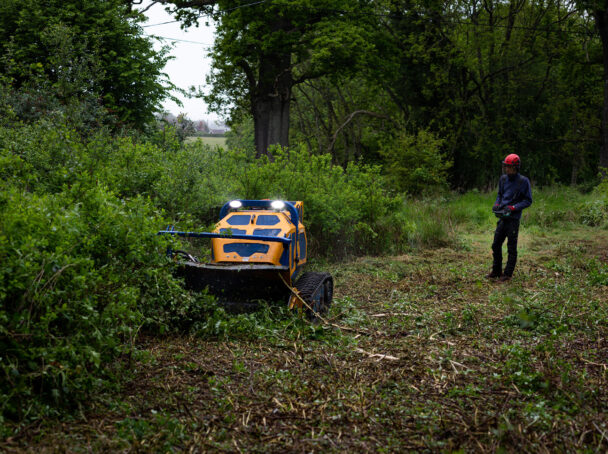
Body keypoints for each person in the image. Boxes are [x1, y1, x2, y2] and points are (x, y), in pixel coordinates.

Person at [486, 154, 532, 282]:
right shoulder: (503, 179)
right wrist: (497, 204)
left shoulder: (523, 181)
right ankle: (496, 271)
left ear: (515, 167)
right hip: (502, 217)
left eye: (509, 167)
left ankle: (507, 274)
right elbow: (500, 195)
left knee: (511, 247)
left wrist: (513, 208)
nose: (506, 169)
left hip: (513, 219)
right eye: (505, 166)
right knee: (496, 245)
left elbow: (528, 201)